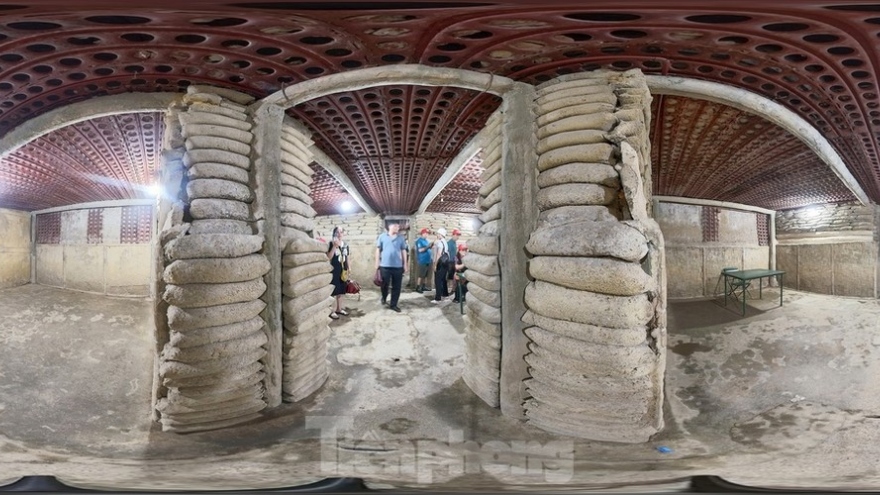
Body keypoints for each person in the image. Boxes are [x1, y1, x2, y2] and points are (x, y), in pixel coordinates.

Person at [375, 220, 408, 312]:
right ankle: (384, 297)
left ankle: (393, 304)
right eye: (395, 226)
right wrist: (377, 262)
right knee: (384, 285)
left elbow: (403, 251)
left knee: (397, 286)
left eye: (398, 226)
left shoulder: (401, 238)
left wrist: (405, 264)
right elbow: (378, 250)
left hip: (398, 266)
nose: (397, 228)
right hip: (384, 266)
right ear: (389, 226)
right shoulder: (382, 237)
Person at [326, 226, 350, 320]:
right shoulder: (331, 243)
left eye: (341, 231)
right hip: (334, 269)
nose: (339, 233)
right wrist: (335, 247)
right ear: (334, 233)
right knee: (333, 290)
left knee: (341, 290)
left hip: (343, 269)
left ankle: (339, 309)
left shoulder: (346, 244)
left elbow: (347, 257)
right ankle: (331, 311)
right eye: (337, 232)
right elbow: (328, 257)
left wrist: (349, 268)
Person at [431, 228, 450, 303]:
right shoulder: (445, 242)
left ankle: (438, 298)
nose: (437, 235)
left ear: (441, 235)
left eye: (438, 234)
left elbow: (438, 254)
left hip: (440, 263)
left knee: (437, 280)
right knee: (443, 279)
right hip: (445, 262)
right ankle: (445, 294)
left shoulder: (439, 243)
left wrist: (435, 264)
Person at [414, 227, 433, 293]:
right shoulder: (419, 241)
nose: (427, 235)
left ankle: (423, 286)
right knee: (421, 275)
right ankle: (418, 287)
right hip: (423, 260)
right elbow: (420, 250)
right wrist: (428, 247)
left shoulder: (426, 240)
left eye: (428, 234)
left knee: (425, 275)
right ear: (423, 233)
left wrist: (430, 246)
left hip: (428, 260)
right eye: (426, 233)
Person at [447, 228, 461, 293]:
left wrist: (456, 261)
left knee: (453, 276)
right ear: (453, 235)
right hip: (450, 262)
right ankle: (449, 289)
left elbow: (455, 253)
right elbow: (448, 253)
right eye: (457, 235)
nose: (458, 237)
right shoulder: (449, 243)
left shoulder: (455, 243)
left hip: (454, 262)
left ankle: (453, 289)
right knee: (450, 276)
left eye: (458, 235)